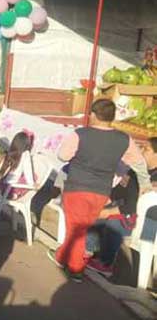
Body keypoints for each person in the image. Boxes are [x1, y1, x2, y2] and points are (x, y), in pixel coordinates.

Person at [48, 99, 148, 282]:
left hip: (77, 187)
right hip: (101, 191)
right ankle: (62, 256)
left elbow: (62, 156)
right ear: (112, 117)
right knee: (81, 226)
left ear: (93, 115)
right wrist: (145, 183)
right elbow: (139, 163)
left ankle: (76, 269)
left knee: (77, 228)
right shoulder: (123, 139)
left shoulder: (80, 134)